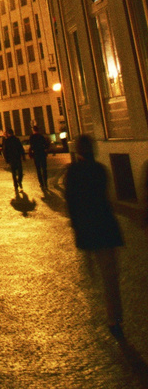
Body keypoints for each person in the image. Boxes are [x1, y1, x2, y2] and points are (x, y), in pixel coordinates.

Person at [65, 134, 124, 338]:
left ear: (78, 151)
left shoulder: (72, 172)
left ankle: (97, 311)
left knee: (92, 273)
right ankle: (115, 317)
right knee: (110, 277)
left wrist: (75, 226)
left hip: (87, 229)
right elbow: (106, 199)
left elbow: (71, 203)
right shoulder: (100, 170)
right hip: (105, 227)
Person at [2, 128, 25, 195]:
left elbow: (5, 151)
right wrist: (23, 156)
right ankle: (19, 181)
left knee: (14, 173)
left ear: (8, 134)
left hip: (11, 159)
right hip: (17, 158)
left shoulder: (7, 141)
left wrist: (6, 159)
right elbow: (21, 148)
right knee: (20, 171)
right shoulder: (16, 139)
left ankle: (15, 185)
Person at [28, 123, 49, 192]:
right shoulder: (41, 136)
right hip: (42, 154)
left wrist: (30, 153)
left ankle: (41, 183)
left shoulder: (32, 137)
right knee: (44, 169)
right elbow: (46, 145)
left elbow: (31, 146)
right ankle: (45, 183)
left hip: (36, 154)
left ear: (33, 130)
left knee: (38, 170)